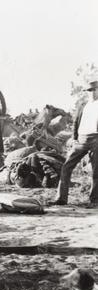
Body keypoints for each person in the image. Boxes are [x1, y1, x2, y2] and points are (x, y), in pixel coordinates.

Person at [50, 80, 98, 208]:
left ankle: (94, 199)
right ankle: (61, 198)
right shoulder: (83, 105)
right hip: (80, 140)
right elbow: (76, 122)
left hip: (96, 139)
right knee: (66, 167)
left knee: (96, 171)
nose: (92, 93)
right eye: (90, 90)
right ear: (87, 92)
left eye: (94, 90)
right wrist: (75, 137)